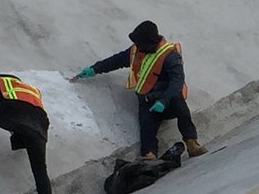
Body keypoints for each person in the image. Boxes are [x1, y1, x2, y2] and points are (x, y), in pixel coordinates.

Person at [77, 20, 206, 161]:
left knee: (180, 105)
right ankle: (149, 155)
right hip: (148, 101)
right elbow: (116, 60)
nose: (137, 47)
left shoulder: (169, 55)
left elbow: (177, 82)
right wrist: (95, 69)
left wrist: (164, 100)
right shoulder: (137, 50)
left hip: (168, 100)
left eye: (140, 44)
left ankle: (191, 143)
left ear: (149, 42)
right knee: (146, 129)